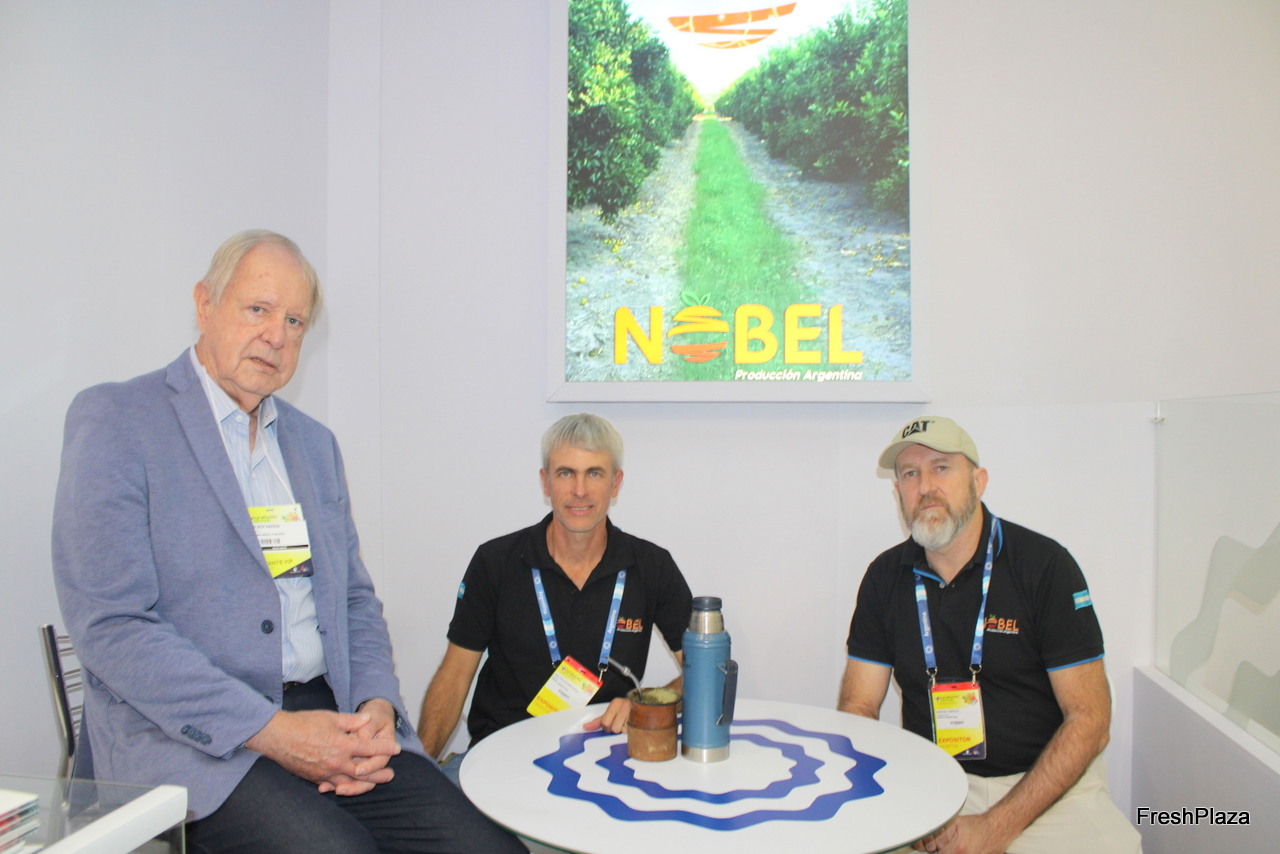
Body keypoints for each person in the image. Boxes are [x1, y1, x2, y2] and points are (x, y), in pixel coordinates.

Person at [51, 230, 523, 854]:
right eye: (258, 309)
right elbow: (113, 626)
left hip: (330, 714)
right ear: (204, 304)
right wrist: (273, 731)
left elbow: (353, 599)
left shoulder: (313, 445)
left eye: (294, 321)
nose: (276, 335)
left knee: (487, 848)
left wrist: (376, 703)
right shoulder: (118, 420)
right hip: (190, 738)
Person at [839, 416, 1141, 854]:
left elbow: (1090, 719)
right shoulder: (884, 577)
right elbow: (858, 706)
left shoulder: (1044, 566)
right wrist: (898, 796)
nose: (925, 486)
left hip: (1045, 789)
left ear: (978, 481)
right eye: (910, 474)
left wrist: (996, 827)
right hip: (930, 785)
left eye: (942, 468)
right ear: (898, 491)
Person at [417, 413, 692, 772]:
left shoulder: (652, 565)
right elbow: (454, 676)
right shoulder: (495, 562)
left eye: (594, 473)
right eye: (565, 473)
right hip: (502, 758)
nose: (580, 490)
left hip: (609, 758)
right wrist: (420, 771)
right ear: (545, 482)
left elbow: (708, 672)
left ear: (616, 484)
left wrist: (648, 705)